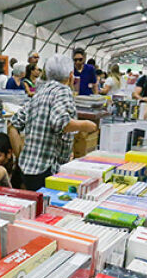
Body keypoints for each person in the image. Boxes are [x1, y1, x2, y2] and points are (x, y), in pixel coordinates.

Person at [8, 53, 98, 190]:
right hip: (46, 171)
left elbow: (13, 125)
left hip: (27, 169)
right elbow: (60, 122)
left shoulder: (41, 93)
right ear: (71, 76)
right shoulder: (63, 91)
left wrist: (21, 156)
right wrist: (86, 125)